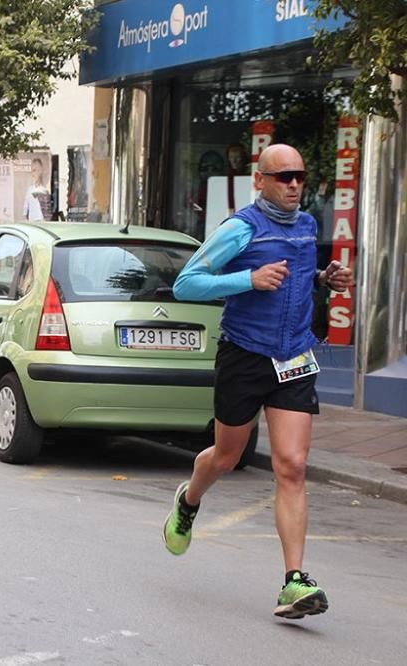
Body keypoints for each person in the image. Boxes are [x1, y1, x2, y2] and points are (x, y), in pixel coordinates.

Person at [165, 144, 353, 620]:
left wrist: (324, 280)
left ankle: (294, 581)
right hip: (245, 356)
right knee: (226, 456)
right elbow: (186, 284)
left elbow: (292, 280)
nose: (293, 185)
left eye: (300, 177)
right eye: (284, 176)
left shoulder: (309, 226)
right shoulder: (239, 228)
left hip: (293, 356)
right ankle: (189, 501)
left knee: (291, 465)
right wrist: (247, 279)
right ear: (262, 181)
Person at [23, 157, 51, 221]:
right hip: (32, 222)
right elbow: (25, 209)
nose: (36, 173)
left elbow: (47, 212)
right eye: (34, 170)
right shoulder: (29, 190)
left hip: (42, 222)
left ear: (41, 171)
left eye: (38, 170)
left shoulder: (45, 190)